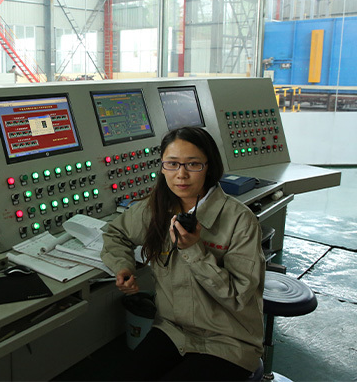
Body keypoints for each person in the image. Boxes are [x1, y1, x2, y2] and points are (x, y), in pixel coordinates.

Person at [101, 126, 265, 381]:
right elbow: (115, 233)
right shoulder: (154, 209)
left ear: (209, 166)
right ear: (162, 167)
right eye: (172, 164)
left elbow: (237, 297)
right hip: (172, 330)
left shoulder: (239, 221)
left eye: (193, 165)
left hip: (229, 340)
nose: (182, 175)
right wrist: (123, 267)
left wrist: (193, 251)